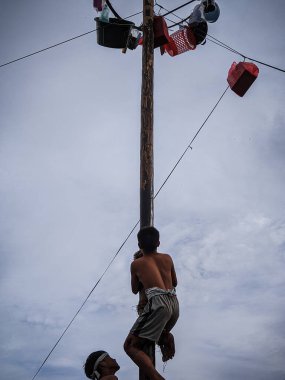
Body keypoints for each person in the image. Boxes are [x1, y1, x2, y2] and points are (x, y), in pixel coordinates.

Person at [124, 226, 179, 380]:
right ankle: (164, 335)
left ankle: (156, 378)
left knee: (129, 345)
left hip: (158, 304)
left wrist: (139, 264)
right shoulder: (168, 258)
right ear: (159, 243)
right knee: (148, 330)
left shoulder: (136, 264)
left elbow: (135, 289)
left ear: (139, 245)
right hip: (174, 304)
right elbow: (174, 282)